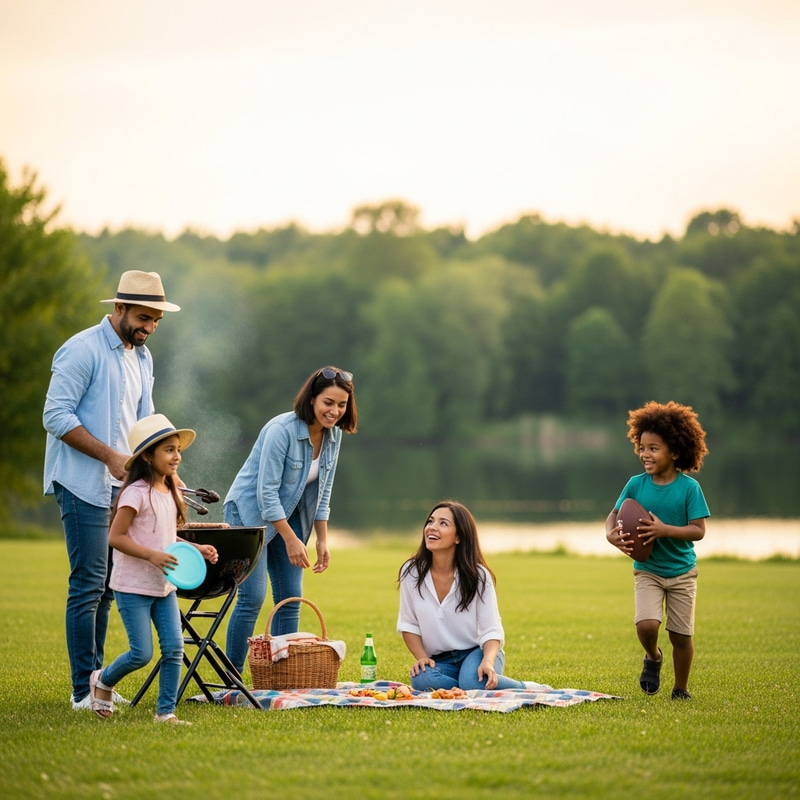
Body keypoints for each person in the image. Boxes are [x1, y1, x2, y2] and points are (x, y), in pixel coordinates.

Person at [43, 270, 180, 711]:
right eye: (143, 317)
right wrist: (109, 456)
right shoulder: (81, 350)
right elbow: (56, 416)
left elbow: (146, 427)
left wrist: (164, 472)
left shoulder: (143, 357)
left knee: (106, 589)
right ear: (118, 308)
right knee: (88, 585)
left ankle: (97, 683)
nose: (149, 327)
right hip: (83, 483)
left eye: (156, 320)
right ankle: (82, 691)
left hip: (125, 489)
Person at [223, 366, 358, 674]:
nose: (335, 411)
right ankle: (231, 677)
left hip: (291, 517)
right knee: (252, 597)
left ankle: (283, 674)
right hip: (248, 514)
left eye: (341, 404)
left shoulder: (333, 437)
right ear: (312, 399)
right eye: (328, 403)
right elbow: (265, 494)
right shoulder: (280, 430)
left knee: (291, 598)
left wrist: (322, 539)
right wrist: (290, 539)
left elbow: (322, 492)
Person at [90, 414, 218, 723]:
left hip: (163, 585)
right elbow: (116, 537)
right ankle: (103, 680)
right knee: (141, 654)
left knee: (174, 649)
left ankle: (165, 713)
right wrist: (151, 556)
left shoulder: (170, 492)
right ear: (148, 456)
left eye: (178, 450)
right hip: (132, 585)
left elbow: (164, 536)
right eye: (169, 450)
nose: (177, 456)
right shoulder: (135, 493)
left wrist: (194, 548)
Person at [605, 400, 710, 701]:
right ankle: (653, 656)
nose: (645, 454)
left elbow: (698, 531)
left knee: (681, 635)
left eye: (653, 448)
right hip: (648, 569)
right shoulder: (636, 484)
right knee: (647, 625)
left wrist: (664, 530)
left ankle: (681, 688)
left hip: (681, 572)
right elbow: (614, 515)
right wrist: (611, 536)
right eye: (642, 447)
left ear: (675, 452)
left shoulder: (689, 489)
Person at [397, 500, 538, 691]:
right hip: (440, 660)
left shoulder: (479, 576)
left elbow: (492, 630)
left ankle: (527, 688)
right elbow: (408, 623)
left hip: (477, 652)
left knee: (472, 680)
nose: (432, 527)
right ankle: (469, 687)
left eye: (443, 523)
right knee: (421, 680)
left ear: (459, 537)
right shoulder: (411, 572)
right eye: (430, 521)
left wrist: (488, 661)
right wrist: (422, 657)